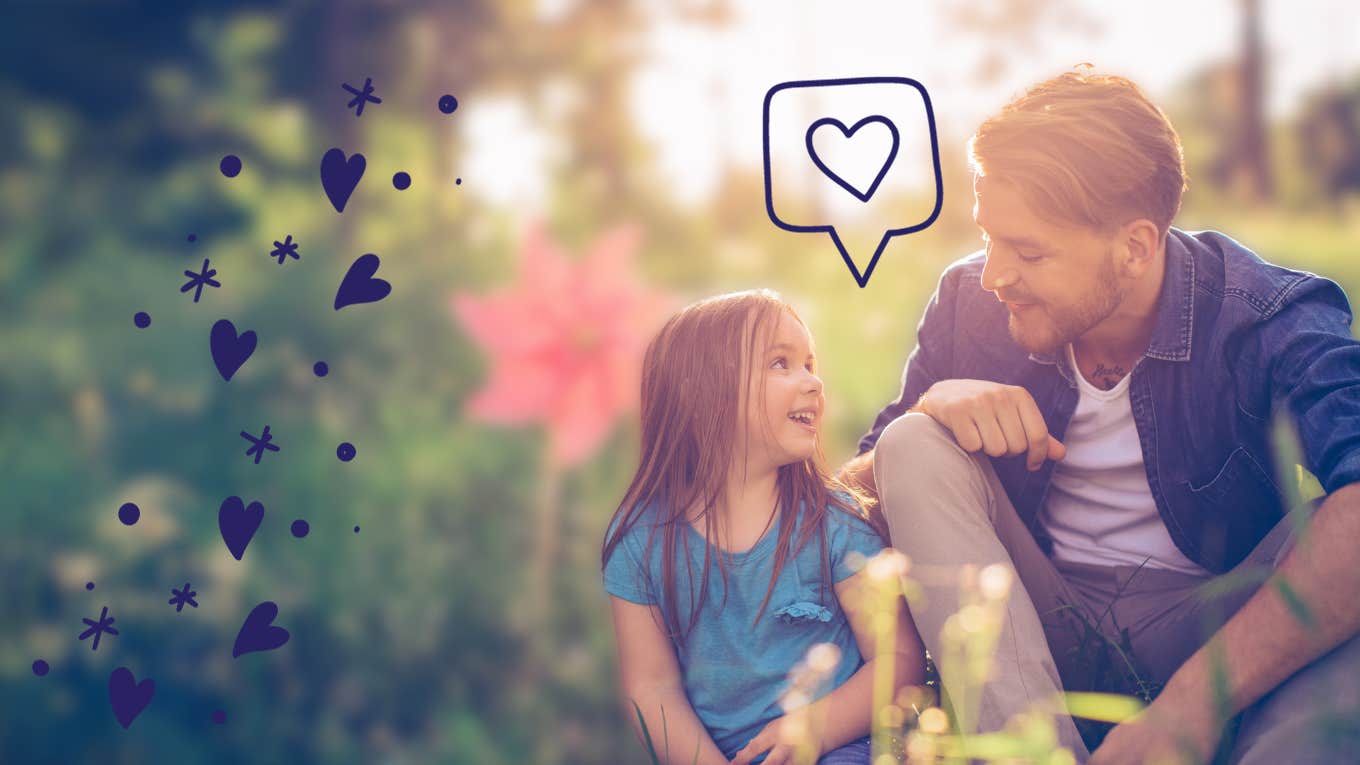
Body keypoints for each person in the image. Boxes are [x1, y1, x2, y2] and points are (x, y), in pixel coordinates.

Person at [840, 71, 1360, 764]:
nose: (995, 274)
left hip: (1222, 629)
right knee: (911, 441)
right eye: (989, 238)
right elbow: (845, 501)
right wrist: (934, 410)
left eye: (1028, 251)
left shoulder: (1265, 313)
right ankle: (1031, 754)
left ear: (1136, 247)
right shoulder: (970, 301)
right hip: (1034, 627)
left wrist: (1189, 705)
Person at [603, 289, 926, 765]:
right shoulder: (641, 545)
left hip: (841, 745)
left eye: (810, 364)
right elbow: (651, 690)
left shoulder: (835, 524)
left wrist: (813, 730)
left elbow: (898, 662)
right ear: (703, 393)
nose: (813, 382)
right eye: (781, 363)